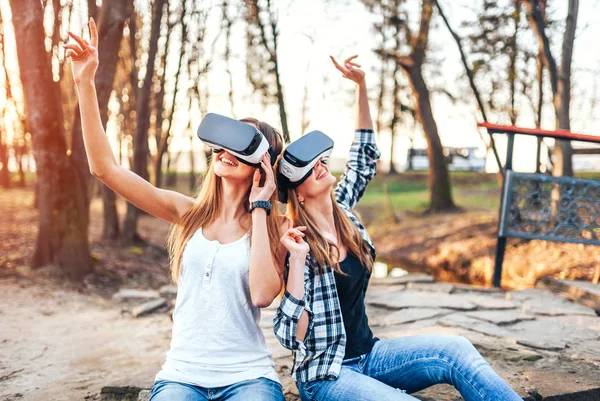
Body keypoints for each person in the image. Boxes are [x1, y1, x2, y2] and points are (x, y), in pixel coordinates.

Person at [273, 55, 523, 401]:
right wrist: (298, 262)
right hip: (326, 375)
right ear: (296, 193)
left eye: (321, 161)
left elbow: (362, 158)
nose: (320, 167)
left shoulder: (343, 212)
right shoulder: (295, 243)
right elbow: (290, 335)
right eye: (309, 168)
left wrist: (361, 87)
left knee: (457, 350)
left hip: (372, 357)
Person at [65, 18, 287, 401]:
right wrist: (85, 83)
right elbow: (105, 169)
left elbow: (264, 295)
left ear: (263, 164)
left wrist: (262, 207)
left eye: (242, 144)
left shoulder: (274, 227)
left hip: (249, 377)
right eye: (223, 141)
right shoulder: (187, 213)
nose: (225, 150)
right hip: (182, 375)